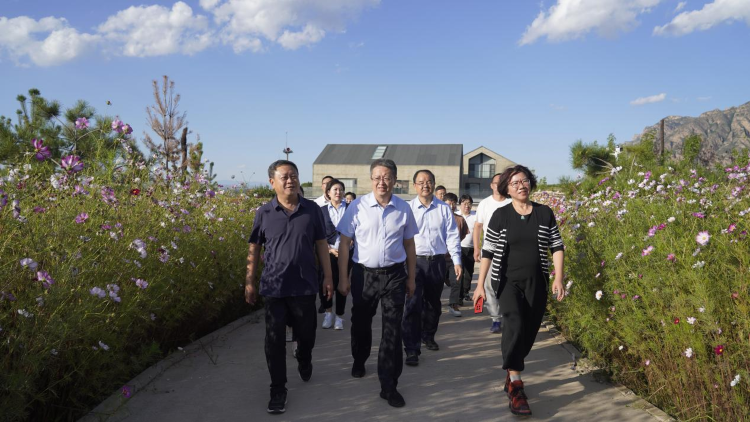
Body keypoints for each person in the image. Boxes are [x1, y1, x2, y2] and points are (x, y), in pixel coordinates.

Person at [473, 165, 565, 417]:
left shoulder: (544, 213)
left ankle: (511, 368)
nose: (521, 186)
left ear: (530, 183)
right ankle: (516, 385)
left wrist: (558, 277)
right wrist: (480, 285)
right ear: (507, 189)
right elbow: (488, 250)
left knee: (528, 331)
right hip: (506, 282)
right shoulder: (501, 215)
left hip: (537, 282)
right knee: (513, 324)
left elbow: (556, 245)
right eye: (514, 183)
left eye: (524, 181)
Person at [245, 160, 333, 415]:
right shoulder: (264, 212)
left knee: (307, 336)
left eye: (293, 175)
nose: (290, 180)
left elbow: (321, 244)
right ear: (272, 182)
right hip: (274, 287)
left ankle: (304, 357)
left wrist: (328, 277)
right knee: (274, 341)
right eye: (284, 177)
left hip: (305, 286)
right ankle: (278, 390)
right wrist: (249, 281)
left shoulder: (312, 210)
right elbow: (254, 248)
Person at [336, 158, 418, 408]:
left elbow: (409, 245)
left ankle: (389, 385)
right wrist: (343, 278)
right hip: (364, 276)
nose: (382, 182)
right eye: (377, 177)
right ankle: (359, 358)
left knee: (392, 330)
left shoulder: (403, 208)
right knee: (361, 323)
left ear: (394, 180)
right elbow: (344, 243)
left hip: (394, 275)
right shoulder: (357, 206)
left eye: (387, 177)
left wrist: (411, 278)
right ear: (371, 180)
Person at [402, 170, 461, 366]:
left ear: (434, 184)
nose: (425, 185)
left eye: (428, 181)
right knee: (412, 304)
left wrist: (457, 260)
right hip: (414, 262)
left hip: (437, 262)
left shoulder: (443, 208)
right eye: (421, 182)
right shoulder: (408, 208)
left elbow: (452, 235)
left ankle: (428, 335)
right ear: (414, 186)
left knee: (433, 304)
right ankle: (411, 348)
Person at [473, 173, 512, 333]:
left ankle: (509, 317)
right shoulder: (485, 204)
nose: (499, 185)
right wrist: (477, 248)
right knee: (489, 285)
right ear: (491, 185)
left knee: (508, 284)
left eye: (502, 182)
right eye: (496, 183)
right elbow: (478, 227)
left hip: (509, 251)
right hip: (490, 251)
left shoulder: (511, 202)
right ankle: (496, 319)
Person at [320, 179, 350, 330]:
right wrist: (329, 249)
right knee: (326, 282)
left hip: (346, 253)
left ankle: (339, 316)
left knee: (342, 284)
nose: (338, 192)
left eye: (341, 189)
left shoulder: (351, 208)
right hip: (328, 253)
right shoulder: (321, 211)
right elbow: (318, 234)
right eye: (335, 190)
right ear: (328, 193)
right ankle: (328, 312)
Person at [442, 192, 469, 316]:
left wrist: (453, 247)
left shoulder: (460, 219)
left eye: (454, 203)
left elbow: (462, 235)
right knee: (437, 283)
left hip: (454, 258)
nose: (451, 206)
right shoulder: (438, 217)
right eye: (449, 203)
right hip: (439, 258)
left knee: (456, 281)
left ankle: (453, 304)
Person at [458, 194, 476, 302]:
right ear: (460, 204)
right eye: (464, 203)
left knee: (469, 273)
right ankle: (459, 296)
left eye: (469, 203)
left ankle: (465, 292)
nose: (467, 206)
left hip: (471, 248)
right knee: (460, 272)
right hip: (459, 248)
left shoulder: (475, 216)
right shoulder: (456, 215)